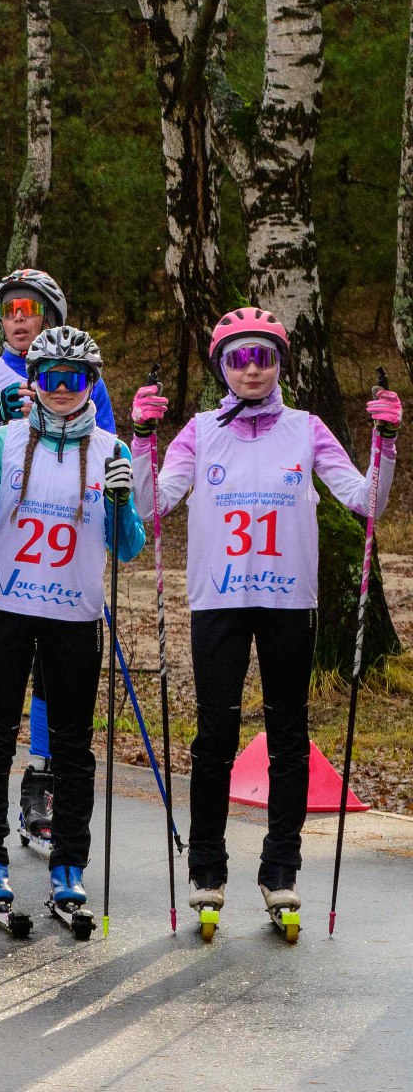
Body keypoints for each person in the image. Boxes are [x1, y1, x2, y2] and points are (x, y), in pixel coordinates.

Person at [132, 308, 398, 924]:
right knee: (215, 737)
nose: (252, 370)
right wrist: (142, 439)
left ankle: (281, 871)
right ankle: (207, 869)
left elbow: (367, 500)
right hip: (218, 601)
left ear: (280, 363)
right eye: (238, 358)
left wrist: (386, 445)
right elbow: (154, 504)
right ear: (223, 366)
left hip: (288, 601)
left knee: (289, 738)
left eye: (264, 357)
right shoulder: (199, 430)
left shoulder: (307, 428)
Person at [0, 325, 143, 923]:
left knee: (75, 750)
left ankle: (69, 866)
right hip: (5, 608)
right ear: (33, 381)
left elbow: (127, 545)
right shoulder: (3, 442)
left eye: (74, 379)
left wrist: (118, 501)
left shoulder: (112, 449)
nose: (61, 390)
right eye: (50, 378)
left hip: (74, 616)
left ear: (92, 385)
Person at [0, 267, 117, 845]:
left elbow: (106, 447)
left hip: (68, 542)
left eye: (31, 308)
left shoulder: (79, 371)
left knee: (56, 672)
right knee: (0, 673)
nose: (19, 318)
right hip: (2, 534)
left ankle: (41, 780)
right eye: (9, 309)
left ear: (51, 315)